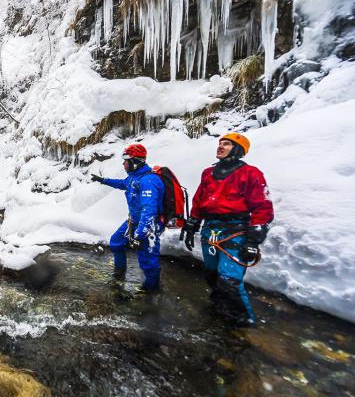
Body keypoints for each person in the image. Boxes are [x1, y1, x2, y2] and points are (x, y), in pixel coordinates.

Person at [181, 133, 273, 326]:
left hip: (235, 229)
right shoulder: (208, 173)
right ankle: (220, 309)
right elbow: (199, 200)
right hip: (211, 229)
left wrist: (253, 241)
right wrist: (192, 224)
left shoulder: (251, 173)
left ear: (238, 149)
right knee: (211, 274)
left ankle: (244, 321)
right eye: (220, 143)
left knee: (228, 279)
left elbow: (262, 207)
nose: (220, 147)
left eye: (227, 144)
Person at [92, 143, 165, 292]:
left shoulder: (148, 181)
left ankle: (152, 292)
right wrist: (103, 180)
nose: (123, 163)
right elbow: (122, 184)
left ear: (136, 161)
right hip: (133, 221)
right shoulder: (134, 178)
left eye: (126, 160)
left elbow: (149, 210)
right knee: (116, 243)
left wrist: (139, 234)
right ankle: (119, 275)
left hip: (149, 225)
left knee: (148, 261)